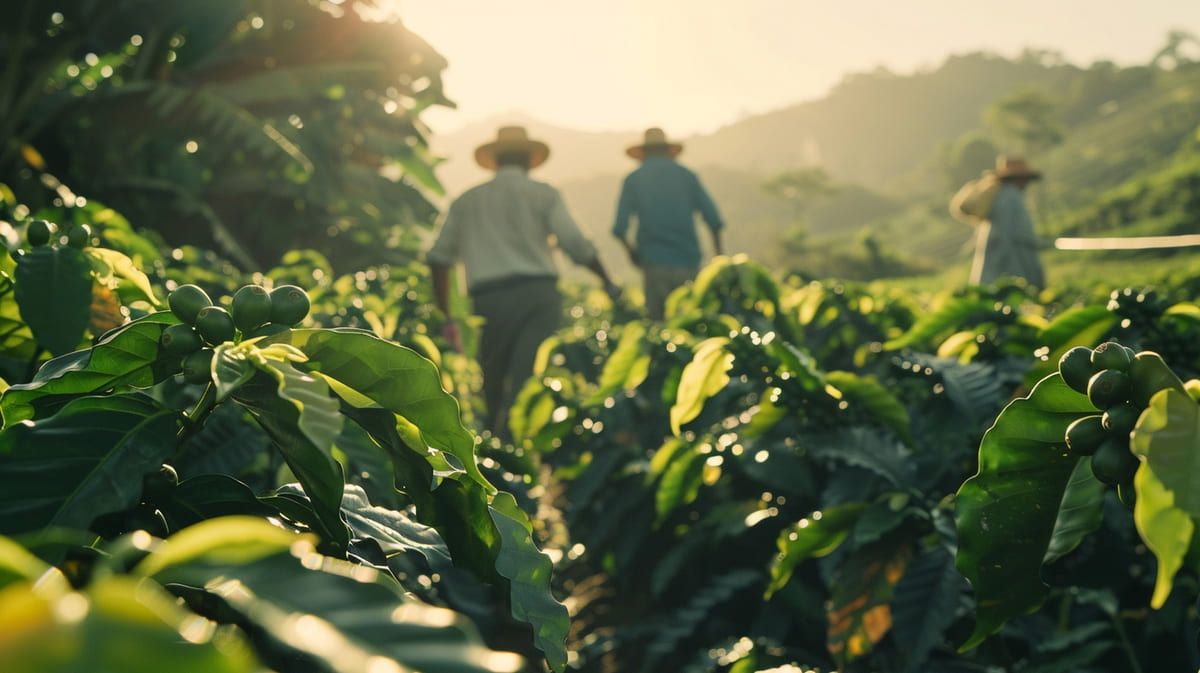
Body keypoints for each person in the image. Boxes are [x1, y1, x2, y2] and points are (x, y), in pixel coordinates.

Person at [427, 126, 618, 435]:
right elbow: (575, 243)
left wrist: (446, 315)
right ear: (530, 160)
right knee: (529, 374)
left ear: (496, 159)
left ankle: (494, 447)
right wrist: (607, 280)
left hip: (489, 299)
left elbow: (439, 258)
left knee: (492, 377)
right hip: (538, 295)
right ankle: (526, 446)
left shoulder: (467, 201)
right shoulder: (543, 193)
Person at [613, 128, 725, 320]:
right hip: (688, 261)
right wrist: (719, 259)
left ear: (644, 152)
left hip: (654, 264)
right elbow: (714, 220)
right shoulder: (687, 176)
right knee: (691, 322)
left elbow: (619, 228)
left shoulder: (634, 179)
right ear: (668, 150)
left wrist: (632, 253)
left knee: (658, 326)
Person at [950, 155, 1046, 287]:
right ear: (1018, 178)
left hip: (999, 258)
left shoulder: (1001, 195)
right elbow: (1007, 236)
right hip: (1008, 262)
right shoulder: (1010, 197)